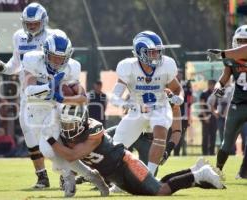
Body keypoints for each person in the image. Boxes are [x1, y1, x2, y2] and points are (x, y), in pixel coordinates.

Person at [45, 105, 225, 196]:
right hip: (115, 174)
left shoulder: (93, 131)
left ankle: (199, 174)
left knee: (160, 191)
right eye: (66, 124)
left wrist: (49, 139)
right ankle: (195, 173)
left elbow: (72, 155)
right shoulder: (72, 134)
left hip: (125, 165)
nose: (68, 129)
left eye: (72, 124)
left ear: (83, 122)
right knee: (152, 188)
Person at [22, 31, 109, 197]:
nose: (58, 61)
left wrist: (62, 97)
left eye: (62, 57)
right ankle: (90, 175)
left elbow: (82, 97)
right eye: (54, 56)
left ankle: (68, 176)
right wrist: (50, 86)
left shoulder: (72, 67)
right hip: (33, 110)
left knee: (47, 149)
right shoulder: (32, 59)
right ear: (45, 53)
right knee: (55, 153)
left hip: (55, 109)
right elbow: (28, 90)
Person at [109, 30, 184, 176]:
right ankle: (119, 181)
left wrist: (178, 97)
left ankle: (148, 176)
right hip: (137, 110)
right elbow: (114, 96)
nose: (156, 55)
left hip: (160, 107)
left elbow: (176, 88)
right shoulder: (129, 67)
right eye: (151, 52)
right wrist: (125, 104)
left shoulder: (166, 65)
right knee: (116, 147)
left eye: (157, 51)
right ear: (140, 52)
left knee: (160, 130)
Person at [0, 2, 51, 188]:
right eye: (28, 22)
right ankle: (42, 176)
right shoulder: (19, 36)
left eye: (35, 22)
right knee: (29, 132)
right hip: (27, 94)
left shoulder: (53, 37)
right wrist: (1, 67)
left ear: (43, 21)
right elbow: (15, 64)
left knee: (56, 133)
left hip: (49, 92)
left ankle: (66, 172)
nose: (31, 25)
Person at [207, 24, 247, 178]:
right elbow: (223, 79)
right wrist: (218, 87)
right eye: (241, 40)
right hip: (237, 105)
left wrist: (221, 54)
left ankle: (243, 172)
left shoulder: (230, 55)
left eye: (246, 41)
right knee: (226, 143)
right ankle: (217, 172)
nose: (243, 44)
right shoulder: (230, 61)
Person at [199, 80, 217, 155]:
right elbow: (202, 105)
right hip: (205, 117)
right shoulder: (204, 93)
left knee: (213, 135)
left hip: (214, 117)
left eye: (214, 85)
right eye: (211, 85)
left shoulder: (217, 93)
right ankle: (205, 152)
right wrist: (205, 116)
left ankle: (212, 152)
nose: (212, 86)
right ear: (209, 85)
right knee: (205, 135)